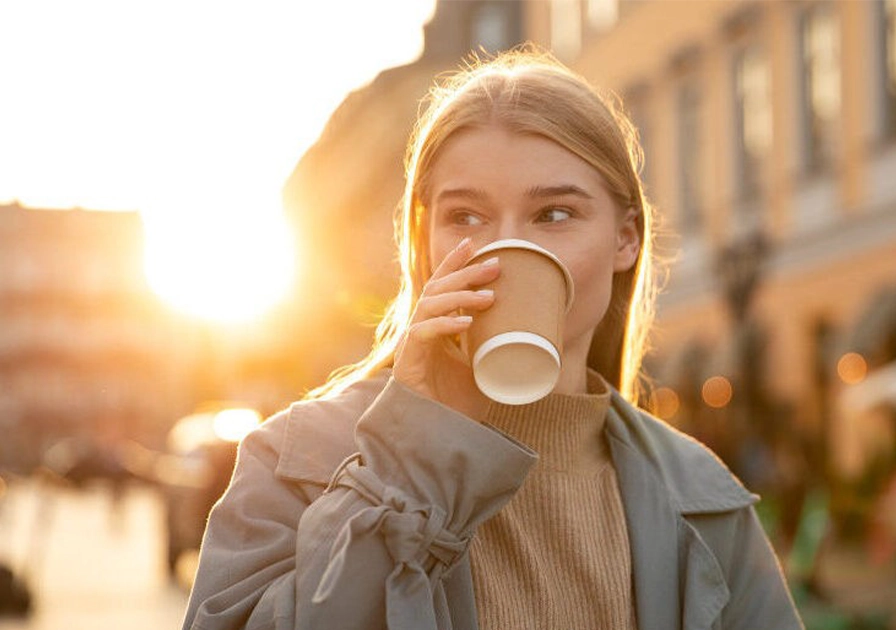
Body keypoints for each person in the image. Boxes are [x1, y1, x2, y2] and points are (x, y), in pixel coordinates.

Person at [183, 47, 801, 630]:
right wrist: (413, 459)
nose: (508, 253)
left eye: (554, 214)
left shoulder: (701, 498)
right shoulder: (294, 461)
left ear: (625, 239)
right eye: (466, 217)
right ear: (424, 243)